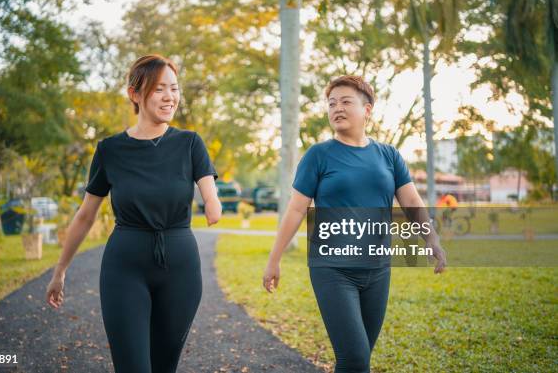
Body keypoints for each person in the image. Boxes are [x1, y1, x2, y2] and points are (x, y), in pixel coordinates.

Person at [45, 54, 222, 373]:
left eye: (174, 88)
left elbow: (208, 187)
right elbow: (85, 215)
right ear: (134, 94)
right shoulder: (110, 150)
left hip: (181, 269)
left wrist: (213, 203)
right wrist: (60, 271)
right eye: (159, 89)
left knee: (163, 367)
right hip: (124, 267)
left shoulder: (190, 143)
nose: (170, 97)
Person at [262, 75, 447, 373]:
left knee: (357, 360)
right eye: (331, 103)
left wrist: (432, 239)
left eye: (346, 101)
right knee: (355, 359)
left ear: (367, 109)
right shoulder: (318, 156)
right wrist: (274, 259)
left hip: (377, 271)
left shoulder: (389, 155)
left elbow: (411, 202)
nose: (337, 107)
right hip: (332, 271)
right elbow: (296, 210)